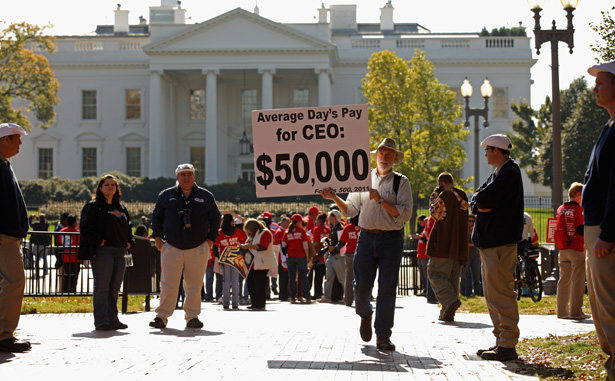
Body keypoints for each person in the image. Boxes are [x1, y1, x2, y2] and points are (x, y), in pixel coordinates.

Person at [321, 137, 412, 351]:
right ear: (376, 155)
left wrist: (381, 200)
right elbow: (351, 210)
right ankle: (365, 314)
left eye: (389, 153)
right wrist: (334, 197)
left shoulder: (402, 182)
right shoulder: (362, 178)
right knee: (360, 287)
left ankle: (383, 335)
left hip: (391, 239)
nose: (385, 156)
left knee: (387, 289)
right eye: (382, 152)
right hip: (366, 237)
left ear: (395, 158)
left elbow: (405, 214)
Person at [471, 134, 524, 361]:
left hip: (499, 243)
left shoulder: (509, 173)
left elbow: (481, 200)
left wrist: (478, 204)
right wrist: (477, 204)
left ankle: (507, 344)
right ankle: (501, 341)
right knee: (493, 294)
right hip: (492, 242)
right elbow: (477, 199)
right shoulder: (499, 173)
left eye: (488, 150)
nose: (485, 154)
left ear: (497, 150)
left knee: (501, 293)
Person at [150, 163, 221, 329]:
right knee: (168, 283)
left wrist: (210, 240)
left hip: (198, 247)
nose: (186, 177)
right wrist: (158, 238)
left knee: (194, 284)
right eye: (183, 174)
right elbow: (156, 217)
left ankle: (192, 317)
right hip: (172, 246)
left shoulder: (206, 196)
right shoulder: (166, 195)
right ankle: (161, 316)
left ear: (194, 176)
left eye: (189, 174)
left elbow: (216, 218)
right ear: (177, 177)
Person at [582, 61, 615, 380]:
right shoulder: (608, 127)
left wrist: (608, 232)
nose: (595, 88)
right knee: (599, 307)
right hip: (596, 228)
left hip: (605, 232)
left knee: (608, 307)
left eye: (602, 82)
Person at [80, 174, 134, 330]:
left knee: (115, 287)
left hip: (120, 251)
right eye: (107, 184)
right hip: (103, 251)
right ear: (100, 188)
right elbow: (85, 228)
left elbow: (128, 227)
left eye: (113, 185)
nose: (110, 187)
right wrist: (99, 241)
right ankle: (102, 321)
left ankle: (113, 319)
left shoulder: (120, 208)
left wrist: (130, 242)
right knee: (102, 287)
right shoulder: (93, 206)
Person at [0, 123, 31, 353]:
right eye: (16, 139)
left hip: (8, 235)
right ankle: (4, 335)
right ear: (4, 140)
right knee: (14, 282)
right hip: (4, 236)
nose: (20, 143)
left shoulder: (5, 165)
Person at [426, 172, 469, 322]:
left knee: (436, 274)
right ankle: (447, 312)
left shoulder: (445, 196)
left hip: (443, 243)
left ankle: (449, 302)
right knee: (452, 279)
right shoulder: (462, 195)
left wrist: (434, 197)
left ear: (441, 183)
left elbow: (436, 214)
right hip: (459, 244)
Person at [555, 182, 588, 320]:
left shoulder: (560, 209)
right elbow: (581, 230)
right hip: (576, 248)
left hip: (562, 248)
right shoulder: (579, 211)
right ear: (578, 194)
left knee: (563, 280)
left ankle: (562, 312)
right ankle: (576, 312)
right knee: (577, 281)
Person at [239, 219, 276, 311]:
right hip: (251, 263)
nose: (248, 233)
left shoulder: (265, 233)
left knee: (259, 284)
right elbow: (250, 244)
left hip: (261, 262)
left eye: (249, 230)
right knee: (251, 283)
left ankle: (260, 304)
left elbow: (262, 247)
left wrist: (247, 246)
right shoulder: (253, 235)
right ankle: (254, 303)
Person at [213, 214, 246, 310]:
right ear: (232, 221)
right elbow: (243, 240)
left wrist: (219, 257)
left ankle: (225, 303)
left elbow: (215, 247)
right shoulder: (237, 231)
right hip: (235, 257)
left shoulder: (219, 232)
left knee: (226, 281)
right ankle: (235, 303)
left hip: (224, 257)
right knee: (235, 281)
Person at [281, 213, 312, 304]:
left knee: (292, 278)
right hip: (301, 256)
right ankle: (307, 297)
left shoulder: (287, 232)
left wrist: (287, 254)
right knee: (303, 278)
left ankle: (293, 297)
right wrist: (307, 257)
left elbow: (283, 245)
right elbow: (305, 245)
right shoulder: (302, 231)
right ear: (298, 222)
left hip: (290, 257)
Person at [319, 210, 345, 303]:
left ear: (335, 217)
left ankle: (347, 296)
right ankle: (327, 296)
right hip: (332, 256)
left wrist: (333, 248)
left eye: (330, 216)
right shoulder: (334, 228)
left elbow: (342, 244)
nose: (328, 218)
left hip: (338, 256)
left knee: (342, 278)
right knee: (329, 277)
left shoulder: (340, 228)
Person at [337, 213, 360, 307]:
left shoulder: (347, 228)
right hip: (362, 254)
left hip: (350, 254)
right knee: (361, 278)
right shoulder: (364, 227)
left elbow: (341, 243)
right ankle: (361, 300)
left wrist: (335, 247)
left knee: (349, 278)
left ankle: (348, 300)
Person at [460, 215, 482, 297]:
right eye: (469, 221)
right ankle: (462, 294)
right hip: (466, 256)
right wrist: (473, 244)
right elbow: (464, 244)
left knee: (476, 278)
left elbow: (479, 242)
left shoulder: (476, 231)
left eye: (473, 221)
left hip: (476, 256)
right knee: (463, 277)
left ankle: (478, 294)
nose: (471, 223)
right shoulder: (463, 231)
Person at [59, 215, 81, 293]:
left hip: (65, 256)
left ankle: (65, 291)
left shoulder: (62, 231)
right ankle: (72, 291)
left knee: (67, 276)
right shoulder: (77, 232)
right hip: (75, 258)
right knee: (74, 277)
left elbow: (59, 243)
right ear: (75, 222)